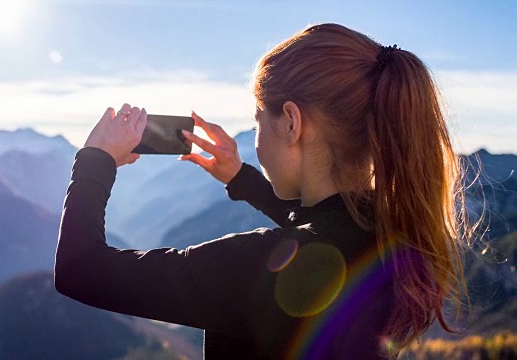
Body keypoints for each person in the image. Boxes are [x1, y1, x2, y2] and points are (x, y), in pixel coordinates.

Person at [54, 23, 471, 359]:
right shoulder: (396, 235)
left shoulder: (252, 267)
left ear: (292, 122)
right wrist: (241, 178)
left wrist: (96, 159)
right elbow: (322, 233)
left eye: (257, 120)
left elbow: (81, 270)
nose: (254, 136)